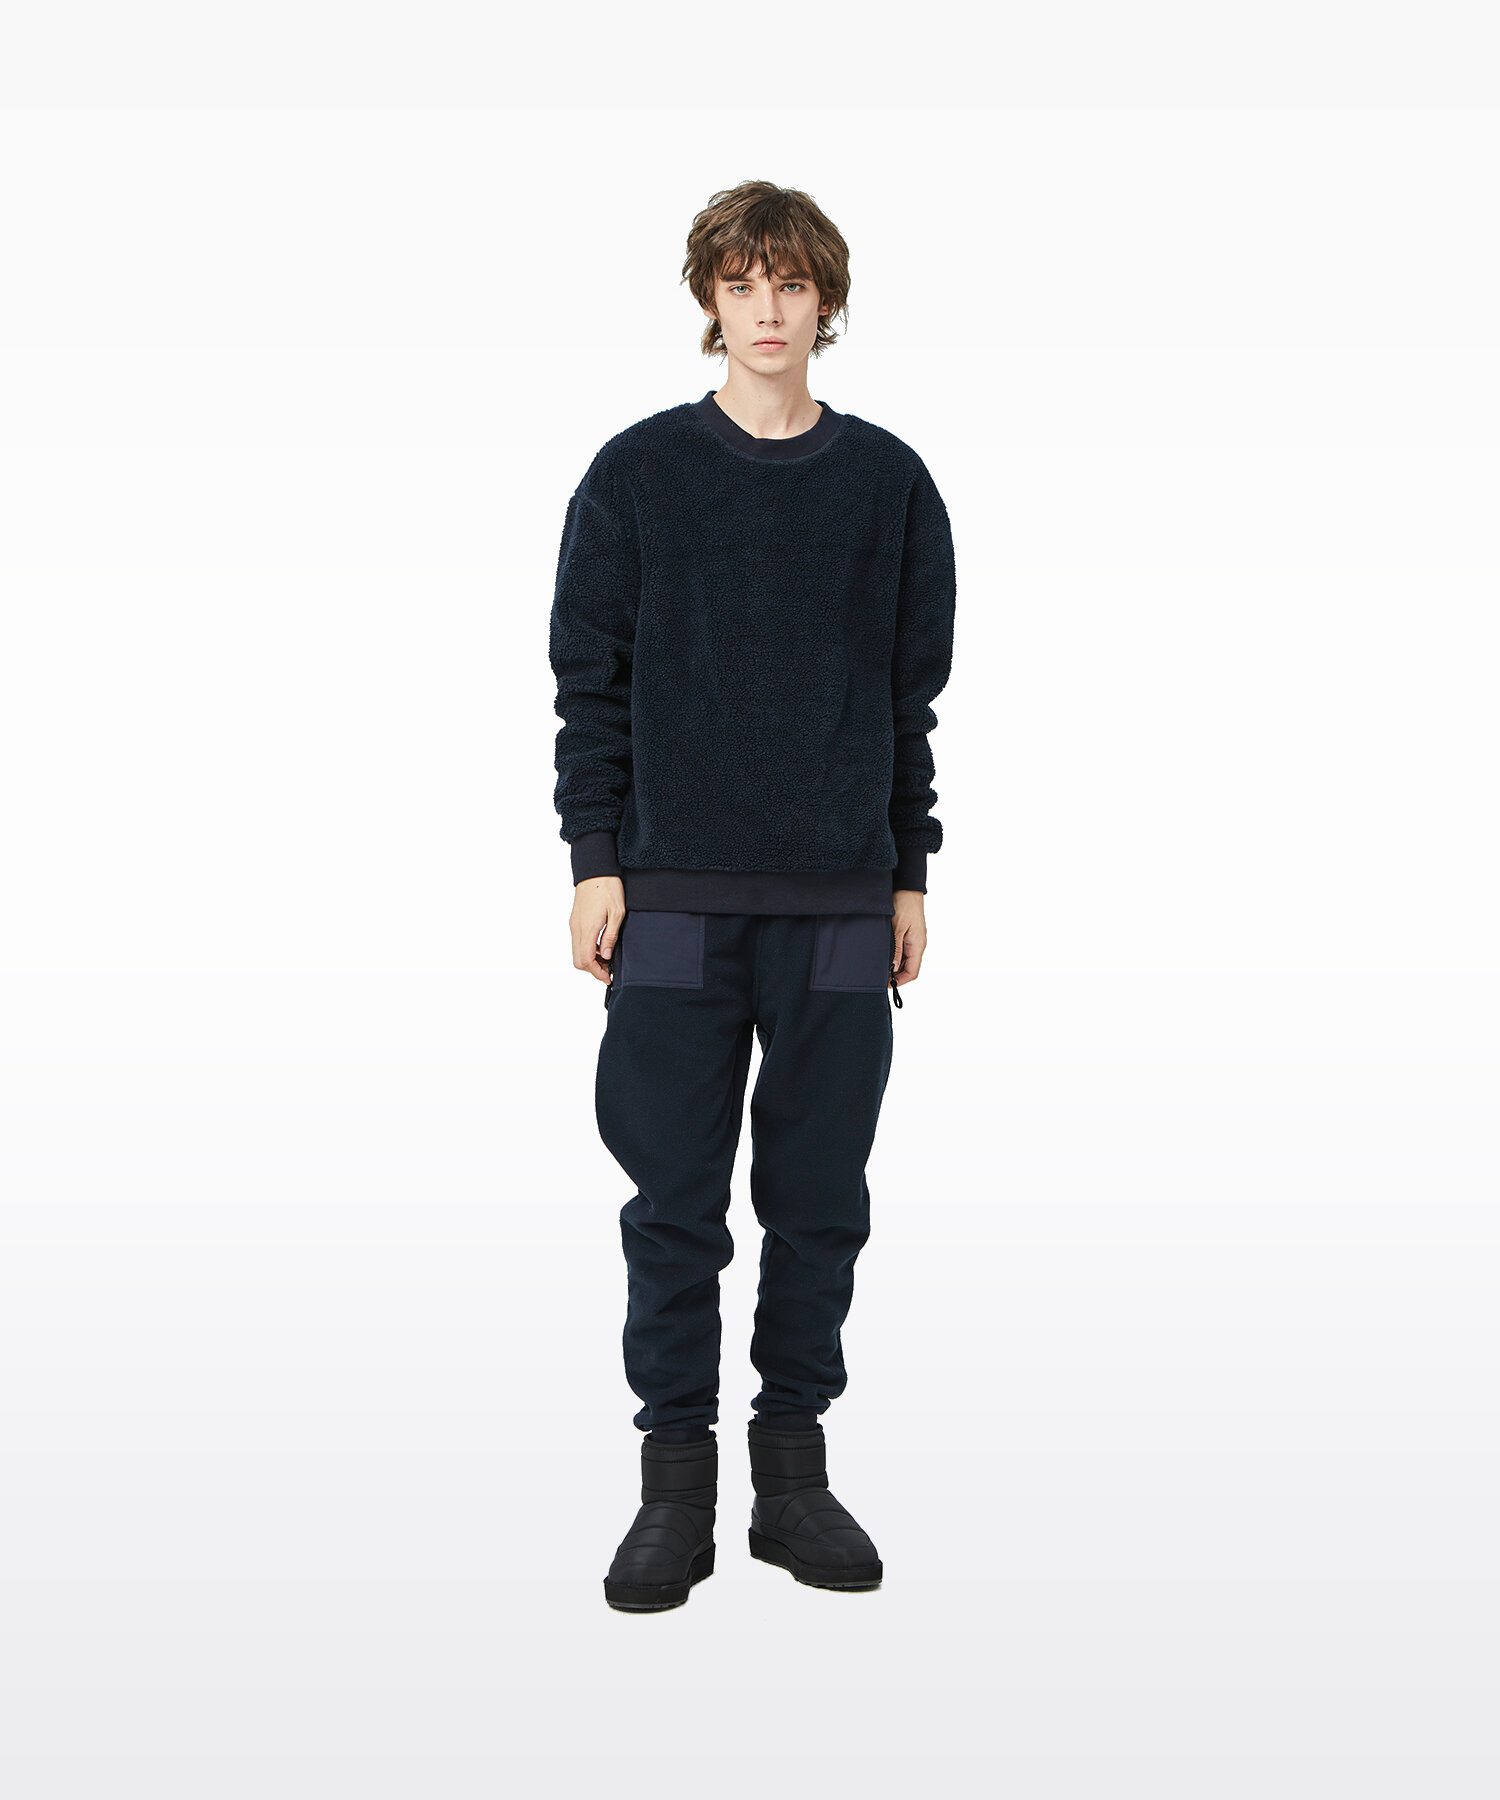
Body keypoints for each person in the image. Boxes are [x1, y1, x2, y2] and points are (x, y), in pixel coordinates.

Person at [548, 179, 957, 1611]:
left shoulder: (888, 484)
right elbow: (588, 685)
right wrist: (594, 859)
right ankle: (675, 1489)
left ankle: (792, 1478)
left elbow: (909, 700)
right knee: (672, 1201)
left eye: (791, 283)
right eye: (742, 282)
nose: (767, 309)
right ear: (709, 300)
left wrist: (909, 871)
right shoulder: (638, 475)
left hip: (842, 898)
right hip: (670, 897)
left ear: (826, 301)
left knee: (820, 1197)